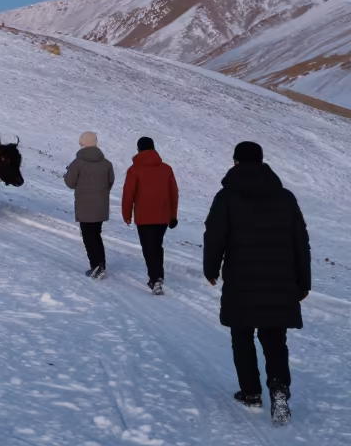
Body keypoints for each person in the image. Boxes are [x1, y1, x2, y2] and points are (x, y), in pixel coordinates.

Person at [203, 141, 311, 426]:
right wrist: (303, 282)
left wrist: (211, 268)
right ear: (262, 162)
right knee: (275, 338)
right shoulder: (285, 197)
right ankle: (278, 388)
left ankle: (251, 392)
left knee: (242, 335)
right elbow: (300, 240)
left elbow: (214, 235)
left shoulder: (226, 197)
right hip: (281, 279)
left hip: (241, 279)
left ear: (236, 162)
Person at [121, 136, 179, 294]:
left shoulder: (134, 170)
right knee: (157, 245)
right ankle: (158, 276)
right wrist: (173, 215)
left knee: (148, 247)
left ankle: (155, 280)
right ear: (153, 148)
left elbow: (128, 194)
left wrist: (126, 214)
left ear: (138, 149)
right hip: (163, 216)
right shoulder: (166, 169)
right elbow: (174, 193)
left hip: (144, 216)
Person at [64, 132, 114, 280]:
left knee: (88, 236)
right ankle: (101, 264)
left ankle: (96, 267)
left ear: (82, 143)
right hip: (100, 207)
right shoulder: (106, 163)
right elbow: (110, 182)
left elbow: (70, 183)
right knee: (96, 235)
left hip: (84, 206)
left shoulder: (77, 163)